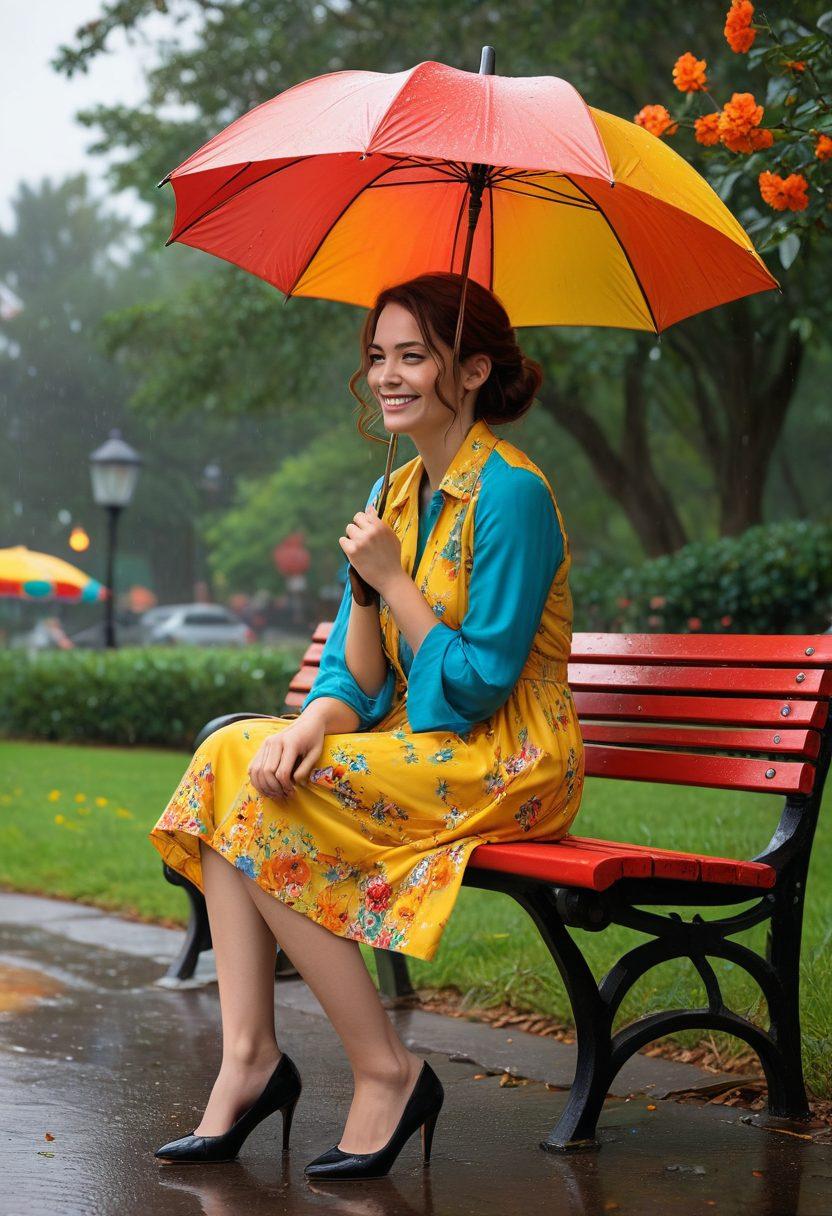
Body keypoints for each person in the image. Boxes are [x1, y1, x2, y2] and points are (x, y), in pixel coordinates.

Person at [148, 271, 585, 1180]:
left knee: (259, 808)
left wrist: (393, 582)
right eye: (378, 357)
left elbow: (471, 689)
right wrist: (317, 720)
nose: (387, 376)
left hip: (511, 758)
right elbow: (358, 669)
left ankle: (387, 1073)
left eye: (413, 357)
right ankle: (250, 1060)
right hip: (434, 748)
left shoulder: (511, 496)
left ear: (470, 371)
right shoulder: (396, 495)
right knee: (238, 758)